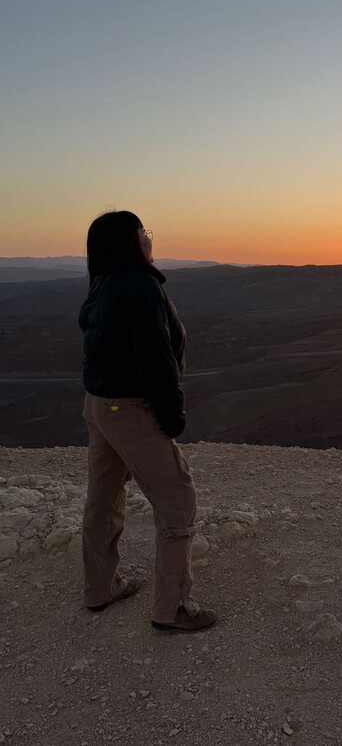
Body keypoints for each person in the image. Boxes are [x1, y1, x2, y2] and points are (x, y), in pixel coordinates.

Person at [78, 210, 217, 633]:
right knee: (177, 501)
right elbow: (155, 358)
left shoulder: (104, 282)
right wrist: (172, 416)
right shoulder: (139, 286)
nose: (149, 240)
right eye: (144, 234)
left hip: (100, 404)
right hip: (130, 409)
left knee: (103, 496)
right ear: (130, 243)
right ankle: (172, 608)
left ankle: (100, 588)